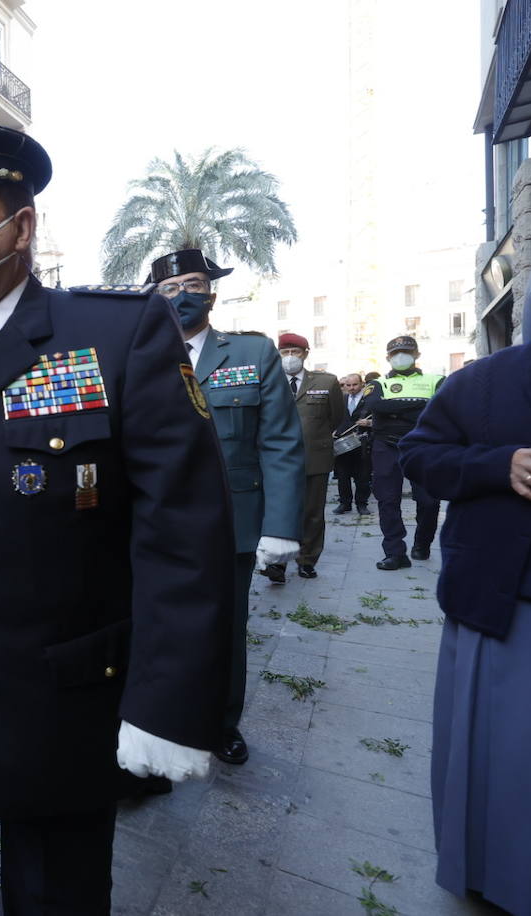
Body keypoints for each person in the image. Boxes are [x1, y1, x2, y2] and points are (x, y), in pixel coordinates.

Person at [0, 123, 234, 914]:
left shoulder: (112, 334)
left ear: (21, 226)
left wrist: (166, 708)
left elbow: (184, 533)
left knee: (52, 900)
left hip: (56, 713)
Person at [398, 248, 531, 915]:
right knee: (513, 766)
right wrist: (500, 466)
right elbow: (421, 456)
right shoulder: (485, 383)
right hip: (511, 607)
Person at [158, 247, 304, 765]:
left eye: (193, 285)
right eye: (171, 289)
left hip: (231, 521)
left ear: (212, 294)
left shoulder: (251, 353)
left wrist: (281, 527)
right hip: (155, 522)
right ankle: (161, 723)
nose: (183, 296)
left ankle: (221, 723)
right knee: (155, 628)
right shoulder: (137, 354)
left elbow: (281, 442)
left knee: (224, 628)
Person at [358, 335, 443, 569]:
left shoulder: (436, 381)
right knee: (387, 500)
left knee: (429, 501)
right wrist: (419, 405)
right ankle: (395, 553)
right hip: (386, 445)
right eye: (395, 353)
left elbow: (441, 410)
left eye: (406, 351)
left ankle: (422, 543)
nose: (400, 356)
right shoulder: (377, 384)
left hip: (424, 447)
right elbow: (376, 407)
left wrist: (393, 411)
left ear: (417, 354)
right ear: (388, 358)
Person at [277, 333, 345, 578]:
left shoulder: (326, 382)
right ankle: (278, 561)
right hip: (277, 459)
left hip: (315, 456)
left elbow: (336, 416)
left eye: (296, 351)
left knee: (313, 511)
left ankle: (307, 559)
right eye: (285, 352)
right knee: (279, 510)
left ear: (306, 353)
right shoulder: (270, 380)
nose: (290, 357)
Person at [333, 373, 373, 515]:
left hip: (362, 443)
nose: (351, 388)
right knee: (342, 477)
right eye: (347, 385)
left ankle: (362, 504)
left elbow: (381, 419)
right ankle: (345, 503)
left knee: (362, 477)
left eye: (354, 384)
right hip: (343, 443)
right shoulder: (341, 400)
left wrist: (369, 423)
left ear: (362, 384)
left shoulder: (369, 399)